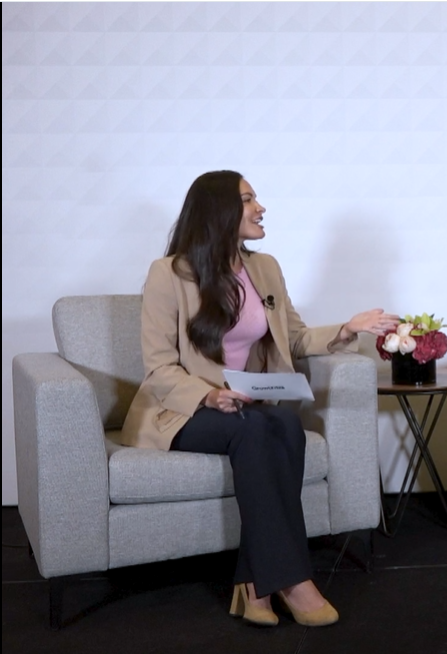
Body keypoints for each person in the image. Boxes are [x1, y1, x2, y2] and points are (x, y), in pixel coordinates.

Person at [118, 171, 399, 627]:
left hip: (246, 405)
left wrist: (346, 330)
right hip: (183, 411)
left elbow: (297, 337)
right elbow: (158, 367)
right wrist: (209, 396)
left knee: (286, 425)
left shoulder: (264, 267)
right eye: (248, 199)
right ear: (218, 211)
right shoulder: (168, 274)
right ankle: (292, 581)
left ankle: (253, 585)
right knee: (256, 430)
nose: (260, 207)